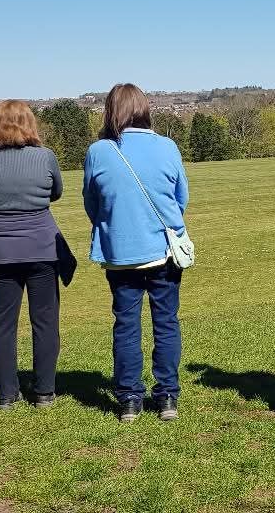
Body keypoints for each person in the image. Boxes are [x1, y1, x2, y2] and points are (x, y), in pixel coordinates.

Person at [82, 84, 189, 423]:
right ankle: (167, 395)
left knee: (126, 325)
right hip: (164, 250)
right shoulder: (167, 146)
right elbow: (180, 197)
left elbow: (92, 202)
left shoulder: (99, 151)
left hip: (120, 251)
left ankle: (130, 398)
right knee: (166, 322)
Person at [0, 100, 76, 410]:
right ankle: (44, 391)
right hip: (42, 245)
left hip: (0, 247)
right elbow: (55, 192)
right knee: (45, 320)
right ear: (29, 124)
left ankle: (6, 393)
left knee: (2, 323)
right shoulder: (45, 157)